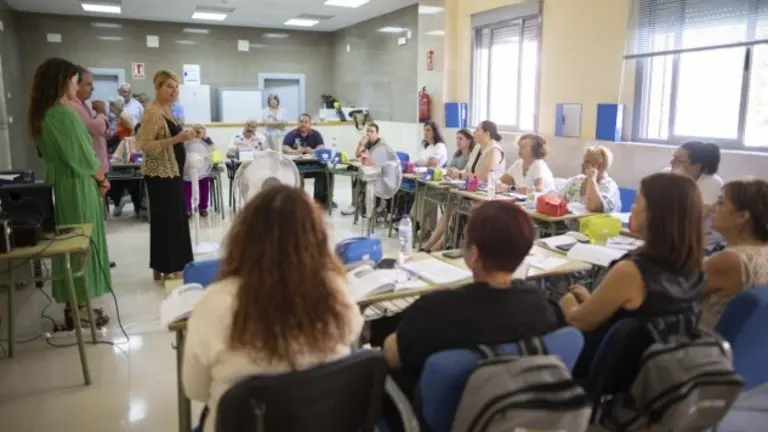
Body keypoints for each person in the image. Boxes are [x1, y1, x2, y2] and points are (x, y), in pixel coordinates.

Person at [182, 185, 363, 432]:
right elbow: (353, 338)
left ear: (243, 237)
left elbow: (195, 388)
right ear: (317, 238)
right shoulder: (336, 291)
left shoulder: (215, 303)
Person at [383, 200, 559, 398]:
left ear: (474, 254)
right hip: (512, 408)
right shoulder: (538, 303)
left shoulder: (436, 309)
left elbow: (392, 356)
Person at [558, 172, 704, 377]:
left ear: (656, 214)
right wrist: (594, 301)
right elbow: (641, 311)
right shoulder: (692, 266)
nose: (632, 208)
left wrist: (566, 301)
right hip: (651, 368)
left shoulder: (632, 271)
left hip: (604, 367)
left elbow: (578, 321)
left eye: (637, 202)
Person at [28, 57, 112, 329]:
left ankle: (74, 307)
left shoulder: (44, 114)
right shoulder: (64, 115)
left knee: (69, 246)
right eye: (76, 81)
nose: (78, 87)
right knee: (81, 246)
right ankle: (81, 309)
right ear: (63, 82)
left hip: (59, 182)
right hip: (76, 184)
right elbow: (83, 155)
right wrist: (101, 179)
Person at [134, 70, 194, 280]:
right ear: (158, 87)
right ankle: (171, 267)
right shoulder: (153, 112)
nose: (174, 90)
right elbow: (145, 145)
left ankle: (168, 265)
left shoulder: (167, 110)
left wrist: (188, 135)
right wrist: (177, 139)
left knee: (174, 219)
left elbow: (170, 136)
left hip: (172, 173)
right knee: (168, 221)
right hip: (162, 176)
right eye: (169, 86)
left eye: (176, 86)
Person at [419, 121, 504, 252]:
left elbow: (484, 177)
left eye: (477, 130)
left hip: (487, 196)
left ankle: (433, 247)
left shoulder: (494, 150)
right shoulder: (477, 148)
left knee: (455, 209)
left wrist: (461, 175)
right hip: (472, 193)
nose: (474, 132)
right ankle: (430, 245)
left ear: (487, 133)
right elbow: (467, 170)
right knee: (451, 206)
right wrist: (456, 173)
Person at [700, 179, 768, 329]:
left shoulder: (731, 260)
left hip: (699, 343)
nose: (712, 208)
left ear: (742, 217)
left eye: (721, 203)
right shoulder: (761, 252)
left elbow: (675, 293)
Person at [668, 141, 724, 253]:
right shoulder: (669, 174)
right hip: (675, 242)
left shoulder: (713, 183)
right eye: (673, 157)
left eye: (678, 160)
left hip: (702, 246)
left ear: (697, 166)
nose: (671, 162)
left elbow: (690, 217)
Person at [283, 114, 334, 207]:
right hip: (297, 164)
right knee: (297, 174)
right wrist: (295, 151)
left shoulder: (315, 134)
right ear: (298, 123)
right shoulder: (292, 134)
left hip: (313, 164)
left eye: (306, 122)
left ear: (310, 124)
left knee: (327, 172)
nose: (303, 124)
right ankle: (299, 201)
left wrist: (312, 150)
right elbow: (284, 148)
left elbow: (321, 147)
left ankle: (322, 201)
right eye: (301, 122)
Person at [69, 67, 109, 174]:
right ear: (75, 85)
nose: (93, 88)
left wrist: (100, 118)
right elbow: (97, 128)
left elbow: (104, 130)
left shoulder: (85, 105)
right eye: (88, 84)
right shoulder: (73, 106)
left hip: (98, 166)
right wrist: (101, 112)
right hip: (90, 168)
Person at [107, 97, 142, 217]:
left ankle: (136, 206)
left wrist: (132, 143)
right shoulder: (117, 117)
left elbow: (133, 129)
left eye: (111, 105)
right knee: (114, 178)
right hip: (122, 147)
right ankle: (119, 201)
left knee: (133, 181)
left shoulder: (123, 116)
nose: (110, 108)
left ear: (116, 106)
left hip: (130, 146)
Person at [342, 122, 386, 216]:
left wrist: (367, 156)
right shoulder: (367, 142)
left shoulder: (381, 143)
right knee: (357, 180)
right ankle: (355, 205)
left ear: (377, 133)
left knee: (364, 180)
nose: (369, 133)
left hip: (379, 172)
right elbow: (357, 155)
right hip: (369, 170)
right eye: (367, 131)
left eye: (372, 131)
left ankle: (374, 206)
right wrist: (360, 144)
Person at [561, 145, 621, 213]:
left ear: (600, 166)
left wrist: (592, 179)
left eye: (587, 162)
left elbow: (594, 207)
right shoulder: (576, 181)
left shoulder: (609, 186)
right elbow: (559, 200)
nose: (582, 164)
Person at [184, 124, 216, 217]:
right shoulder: (187, 139)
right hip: (188, 170)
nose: (198, 131)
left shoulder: (207, 140)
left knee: (204, 188)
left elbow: (213, 149)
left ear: (204, 131)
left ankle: (203, 208)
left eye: (200, 129)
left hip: (203, 170)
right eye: (195, 129)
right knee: (186, 189)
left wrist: (203, 141)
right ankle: (187, 209)